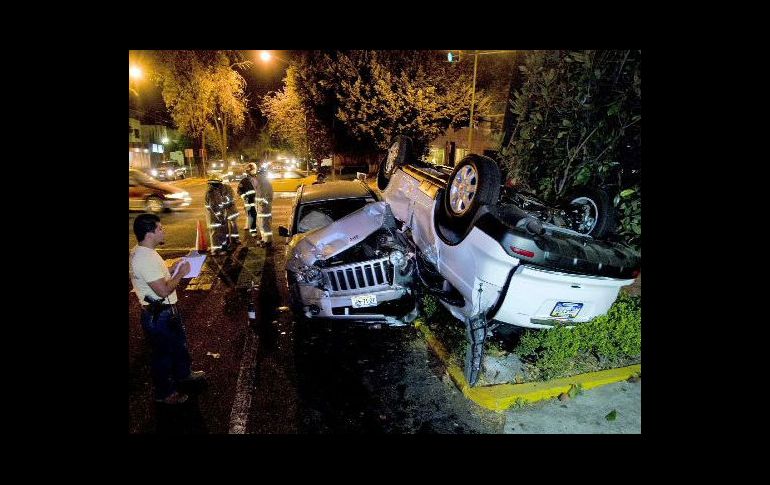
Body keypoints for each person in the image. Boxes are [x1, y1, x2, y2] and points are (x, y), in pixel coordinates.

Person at [129, 214, 206, 405]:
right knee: (162, 356)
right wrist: (180, 273)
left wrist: (171, 269)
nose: (164, 231)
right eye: (160, 228)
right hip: (159, 315)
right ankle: (165, 393)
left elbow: (157, 277)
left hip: (165, 312)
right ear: (150, 233)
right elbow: (163, 290)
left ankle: (183, 375)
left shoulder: (145, 251)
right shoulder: (144, 258)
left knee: (178, 346)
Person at [238, 162, 274, 246]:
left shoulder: (263, 184)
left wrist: (262, 204)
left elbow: (267, 196)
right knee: (261, 225)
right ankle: (264, 239)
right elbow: (240, 191)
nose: (256, 176)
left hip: (263, 208)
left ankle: (268, 241)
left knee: (265, 225)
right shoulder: (257, 182)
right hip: (256, 206)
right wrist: (246, 198)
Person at [205, 175, 240, 254]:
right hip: (214, 219)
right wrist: (220, 217)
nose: (219, 185)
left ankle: (222, 248)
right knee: (215, 235)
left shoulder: (215, 191)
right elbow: (215, 208)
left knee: (220, 233)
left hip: (218, 217)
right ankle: (216, 251)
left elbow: (220, 204)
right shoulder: (211, 193)